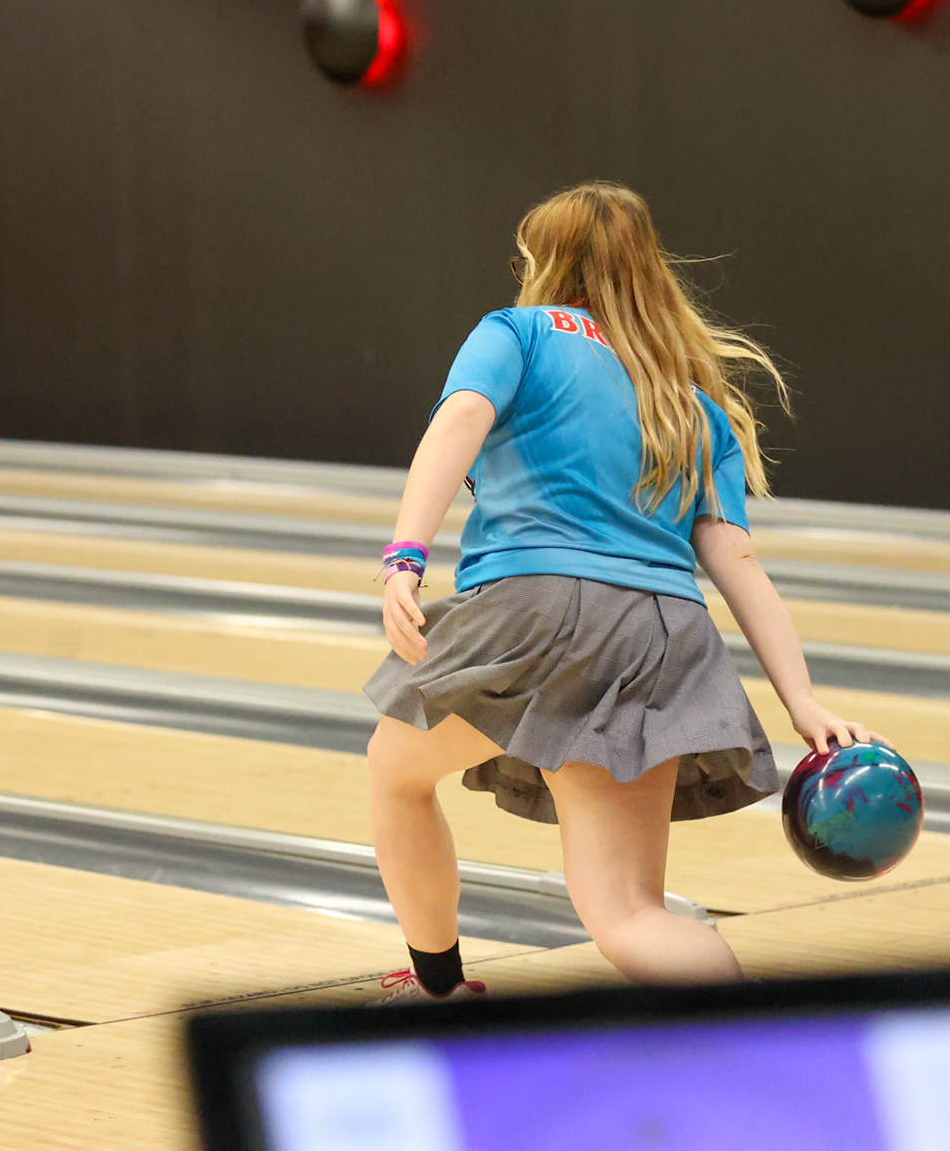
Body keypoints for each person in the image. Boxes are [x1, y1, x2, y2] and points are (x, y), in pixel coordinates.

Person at [363, 181, 880, 1004]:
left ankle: (437, 992)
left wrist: (404, 554)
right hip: (664, 636)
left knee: (393, 773)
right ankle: (758, 1043)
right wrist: (802, 701)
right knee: (627, 912)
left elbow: (458, 421)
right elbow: (737, 564)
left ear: (546, 261)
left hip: (536, 609)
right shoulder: (691, 398)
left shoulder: (518, 333)